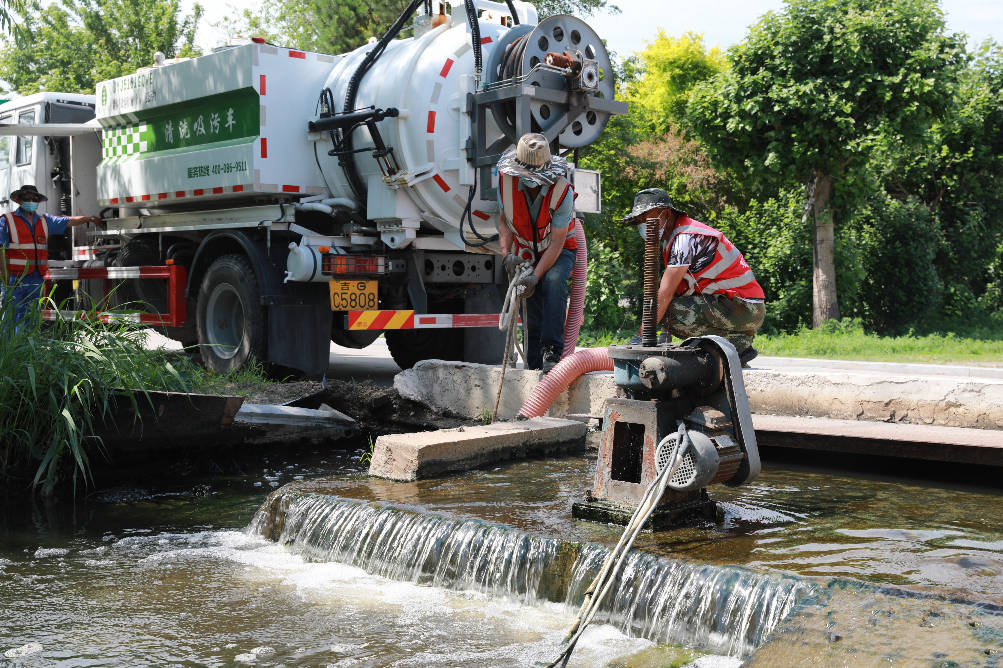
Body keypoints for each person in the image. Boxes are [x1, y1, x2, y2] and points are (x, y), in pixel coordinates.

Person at [623, 188, 765, 359]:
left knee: (669, 312)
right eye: (639, 220)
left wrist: (640, 338)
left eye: (646, 217)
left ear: (666, 213)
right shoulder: (675, 236)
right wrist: (659, 342)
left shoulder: (684, 239)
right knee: (669, 310)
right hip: (738, 306)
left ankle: (735, 346)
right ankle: (734, 344)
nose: (643, 223)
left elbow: (665, 294)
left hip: (745, 308)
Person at [495, 133, 578, 372]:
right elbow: (504, 221)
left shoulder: (563, 192)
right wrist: (506, 254)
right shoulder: (506, 184)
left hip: (557, 250)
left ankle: (552, 351)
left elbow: (557, 243)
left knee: (551, 281)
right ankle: (533, 362)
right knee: (529, 297)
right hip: (526, 250)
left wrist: (536, 275)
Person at [1, 184, 102, 330]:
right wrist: (5, 280)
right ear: (19, 200)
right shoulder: (7, 221)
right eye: (26, 198)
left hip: (36, 279)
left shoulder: (44, 221)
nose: (31, 200)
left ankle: (29, 351)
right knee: (11, 318)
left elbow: (68, 221)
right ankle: (9, 352)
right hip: (14, 280)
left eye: (34, 198)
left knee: (33, 318)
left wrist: (90, 218)